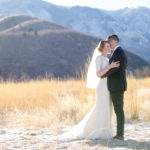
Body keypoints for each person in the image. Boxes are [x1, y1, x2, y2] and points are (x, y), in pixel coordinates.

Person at [58, 40, 120, 141]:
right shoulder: (99, 58)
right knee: (100, 108)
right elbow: (98, 74)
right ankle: (95, 132)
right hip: (102, 87)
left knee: (107, 108)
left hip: (107, 86)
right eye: (107, 46)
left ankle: (105, 133)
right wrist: (110, 66)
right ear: (102, 48)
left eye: (109, 46)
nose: (109, 48)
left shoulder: (106, 58)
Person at [101, 34, 127, 141]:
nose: (108, 45)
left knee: (118, 110)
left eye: (109, 42)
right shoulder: (119, 51)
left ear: (113, 40)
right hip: (117, 85)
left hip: (116, 86)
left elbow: (114, 69)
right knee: (118, 109)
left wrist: (102, 75)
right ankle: (119, 134)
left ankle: (120, 135)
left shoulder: (118, 52)